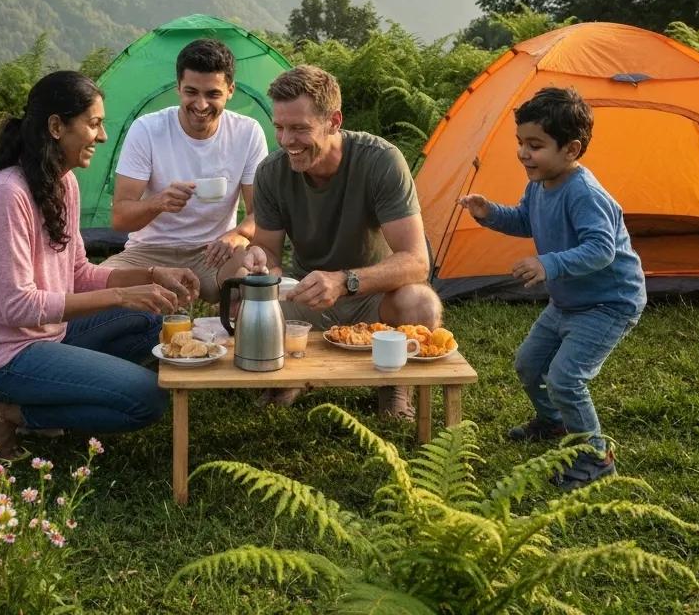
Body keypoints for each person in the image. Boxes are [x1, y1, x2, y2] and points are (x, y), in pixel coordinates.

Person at [0, 71, 199, 459]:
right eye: (94, 123)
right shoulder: (7, 195)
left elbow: (79, 273)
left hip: (50, 334)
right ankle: (4, 410)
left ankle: (60, 388)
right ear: (56, 126)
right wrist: (121, 295)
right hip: (2, 355)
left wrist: (152, 275)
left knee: (157, 323)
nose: (101, 137)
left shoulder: (62, 183)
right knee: (146, 399)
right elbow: (18, 306)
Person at [457, 86, 646, 490]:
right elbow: (526, 219)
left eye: (535, 145)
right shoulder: (539, 185)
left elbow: (602, 250)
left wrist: (548, 263)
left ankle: (596, 458)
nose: (523, 153)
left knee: (566, 379)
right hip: (568, 300)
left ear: (571, 150)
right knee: (528, 364)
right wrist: (490, 213)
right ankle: (554, 422)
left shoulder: (585, 194)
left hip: (608, 304)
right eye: (521, 143)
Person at [242, 64, 443, 419]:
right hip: (307, 293)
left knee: (421, 303)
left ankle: (395, 385)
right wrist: (261, 264)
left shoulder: (380, 160)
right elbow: (270, 255)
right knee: (243, 306)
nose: (288, 141)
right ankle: (290, 375)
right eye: (280, 127)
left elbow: (416, 260)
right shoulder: (271, 173)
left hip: (374, 296)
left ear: (334, 121)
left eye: (300, 129)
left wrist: (344, 281)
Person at [102, 38, 268, 302]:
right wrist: (158, 203)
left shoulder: (247, 133)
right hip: (149, 251)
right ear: (178, 88)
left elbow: (259, 214)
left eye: (213, 94)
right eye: (191, 92)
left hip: (214, 252)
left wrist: (238, 234)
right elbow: (121, 218)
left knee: (253, 278)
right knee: (97, 290)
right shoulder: (147, 129)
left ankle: (232, 338)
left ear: (230, 90)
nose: (201, 105)